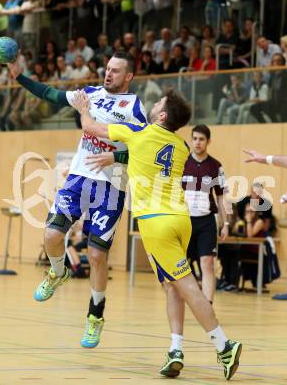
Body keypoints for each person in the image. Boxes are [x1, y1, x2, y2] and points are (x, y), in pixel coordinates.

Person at [72, 88, 242, 380]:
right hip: (181, 218)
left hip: (155, 222)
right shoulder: (180, 145)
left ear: (162, 114)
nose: (152, 105)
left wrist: (84, 107)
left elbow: (89, 127)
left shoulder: (138, 132)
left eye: (158, 104)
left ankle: (224, 344)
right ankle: (176, 349)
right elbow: (141, 156)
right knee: (172, 285)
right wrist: (116, 158)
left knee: (187, 285)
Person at [7, 51, 147, 348]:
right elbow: (49, 93)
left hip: (111, 186)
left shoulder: (135, 107)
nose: (108, 74)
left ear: (129, 76)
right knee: (51, 235)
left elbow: (146, 151)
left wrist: (115, 155)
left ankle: (95, 316)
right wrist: (18, 74)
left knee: (97, 255)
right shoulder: (90, 94)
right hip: (79, 179)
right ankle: (58, 272)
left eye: (116, 71)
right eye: (107, 68)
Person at [182, 124, 228, 304]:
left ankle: (207, 304)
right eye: (194, 139)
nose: (197, 143)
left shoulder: (216, 166)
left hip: (207, 222)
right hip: (184, 221)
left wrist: (226, 224)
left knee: (207, 263)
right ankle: (186, 300)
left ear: (208, 141)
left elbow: (222, 197)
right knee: (182, 264)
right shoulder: (182, 162)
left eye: (201, 139)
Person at [244, 150, 287, 300]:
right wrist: (264, 158)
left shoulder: (266, 205)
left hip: (261, 234)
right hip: (248, 234)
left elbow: (266, 223)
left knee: (265, 247)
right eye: (253, 192)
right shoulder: (245, 202)